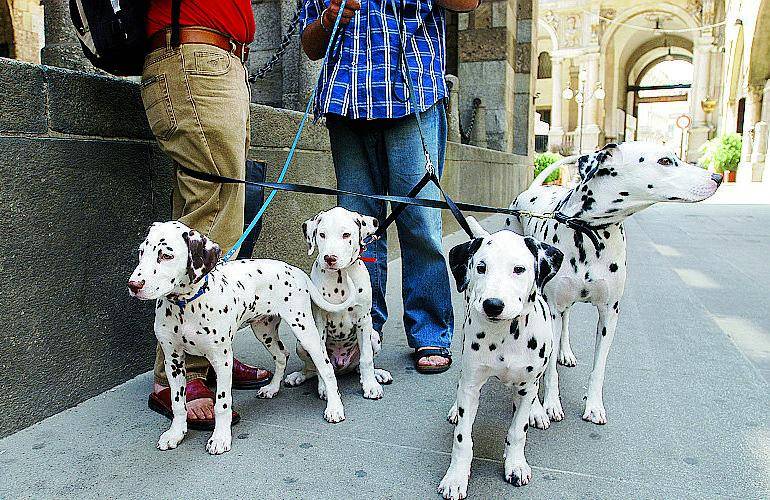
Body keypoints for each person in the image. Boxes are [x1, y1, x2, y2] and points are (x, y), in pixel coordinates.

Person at [299, 0, 480, 373]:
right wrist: (330, 19)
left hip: (411, 98)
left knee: (421, 225)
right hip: (346, 101)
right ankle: (365, 328)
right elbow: (311, 44)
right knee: (356, 232)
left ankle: (430, 331)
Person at [141, 0, 272, 429]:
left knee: (211, 207)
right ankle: (186, 371)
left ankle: (209, 352)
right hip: (196, 55)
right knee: (214, 212)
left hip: (215, 59)